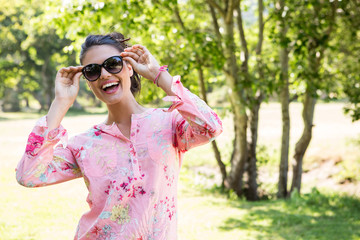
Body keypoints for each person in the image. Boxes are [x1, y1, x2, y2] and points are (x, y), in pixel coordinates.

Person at [16, 32, 222, 240]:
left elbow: (211, 127)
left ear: (130, 67)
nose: (104, 74)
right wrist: (60, 103)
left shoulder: (168, 124)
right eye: (92, 71)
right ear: (88, 82)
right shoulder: (83, 145)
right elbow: (29, 175)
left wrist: (159, 76)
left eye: (113, 64)